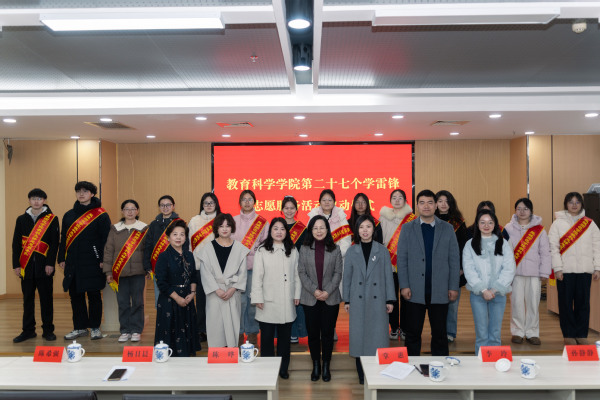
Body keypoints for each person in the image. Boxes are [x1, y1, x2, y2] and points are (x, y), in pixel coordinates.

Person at [397, 189, 460, 356]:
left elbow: (454, 260)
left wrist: (453, 286)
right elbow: (402, 259)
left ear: (436, 205)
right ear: (417, 206)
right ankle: (410, 367)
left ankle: (440, 367)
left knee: (439, 334)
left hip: (440, 290)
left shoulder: (447, 228)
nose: (426, 206)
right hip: (413, 290)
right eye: (422, 203)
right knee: (412, 333)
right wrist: (404, 285)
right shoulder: (407, 228)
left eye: (430, 202)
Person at [343, 215, 395, 384]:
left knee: (377, 336)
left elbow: (388, 276)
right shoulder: (352, 251)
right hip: (357, 299)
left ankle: (375, 373)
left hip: (377, 299)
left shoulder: (382, 251)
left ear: (374, 229)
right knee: (359, 337)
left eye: (368, 227)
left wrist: (390, 300)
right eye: (361, 227)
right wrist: (347, 300)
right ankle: (361, 374)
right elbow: (347, 277)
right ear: (357, 230)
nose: (365, 230)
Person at [58, 181, 111, 340]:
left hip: (94, 261)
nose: (81, 194)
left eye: (85, 191)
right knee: (76, 296)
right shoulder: (69, 215)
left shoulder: (101, 214)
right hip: (73, 262)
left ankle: (95, 327)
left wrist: (104, 259)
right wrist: (61, 257)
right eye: (78, 191)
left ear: (92, 194)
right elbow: (64, 238)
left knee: (94, 296)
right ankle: (79, 327)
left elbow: (106, 239)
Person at [251, 217, 301, 379]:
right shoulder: (262, 250)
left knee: (284, 340)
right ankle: (267, 371)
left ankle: (283, 369)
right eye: (275, 228)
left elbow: (297, 274)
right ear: (270, 231)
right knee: (266, 339)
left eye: (282, 229)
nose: (279, 232)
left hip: (287, 300)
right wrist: (258, 297)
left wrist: (297, 294)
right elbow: (257, 277)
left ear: (286, 232)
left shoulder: (292, 250)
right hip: (267, 301)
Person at [548, 192, 600, 345]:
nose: (574, 205)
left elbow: (597, 246)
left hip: (584, 271)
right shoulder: (557, 224)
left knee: (583, 304)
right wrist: (557, 268)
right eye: (571, 202)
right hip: (565, 271)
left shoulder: (590, 224)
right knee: (565, 304)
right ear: (566, 204)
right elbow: (553, 248)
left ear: (582, 204)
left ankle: (581, 334)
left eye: (577, 202)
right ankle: (568, 334)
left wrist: (597, 267)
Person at [463, 210, 516, 355]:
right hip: (478, 294)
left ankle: (495, 360)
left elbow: (509, 268)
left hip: (498, 294)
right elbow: (469, 269)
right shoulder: (470, 244)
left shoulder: (503, 243)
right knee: (481, 333)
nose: (486, 226)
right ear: (477, 224)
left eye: (490, 222)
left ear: (495, 224)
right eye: (483, 222)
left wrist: (494, 289)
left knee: (495, 333)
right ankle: (480, 360)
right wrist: (483, 289)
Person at [298, 215, 343, 382]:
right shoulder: (304, 249)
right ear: (310, 230)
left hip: (330, 299)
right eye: (315, 228)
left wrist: (327, 291)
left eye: (322, 227)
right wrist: (314, 291)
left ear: (327, 229)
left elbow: (338, 273)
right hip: (310, 298)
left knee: (327, 334)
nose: (319, 231)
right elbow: (301, 272)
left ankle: (326, 366)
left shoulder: (335, 249)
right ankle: (316, 364)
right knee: (313, 334)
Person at [12, 188, 60, 343]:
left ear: (44, 201)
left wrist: (50, 263)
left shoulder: (52, 219)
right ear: (29, 200)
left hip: (44, 267)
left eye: (39, 199)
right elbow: (16, 244)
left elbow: (54, 244)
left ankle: (48, 330)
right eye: (33, 198)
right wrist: (16, 265)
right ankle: (28, 331)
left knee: (46, 300)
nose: (36, 201)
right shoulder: (21, 219)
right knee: (27, 300)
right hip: (25, 267)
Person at [505, 198, 551, 345]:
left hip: (534, 274)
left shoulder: (539, 230)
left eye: (525, 208)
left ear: (531, 211)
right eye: (519, 208)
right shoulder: (508, 228)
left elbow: (545, 252)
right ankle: (517, 332)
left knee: (533, 304)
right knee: (516, 303)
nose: (522, 211)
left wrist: (544, 272)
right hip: (515, 274)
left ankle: (532, 332)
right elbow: (504, 252)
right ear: (515, 210)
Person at [199, 213, 249, 348]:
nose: (225, 229)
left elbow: (242, 272)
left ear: (232, 227)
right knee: (215, 325)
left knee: (232, 325)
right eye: (221, 226)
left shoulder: (239, 248)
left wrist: (233, 288)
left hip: (232, 292)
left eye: (228, 226)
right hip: (215, 292)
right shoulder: (208, 248)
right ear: (216, 228)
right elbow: (205, 273)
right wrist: (217, 289)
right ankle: (217, 354)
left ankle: (231, 353)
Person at [102, 200, 148, 343]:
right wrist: (108, 272)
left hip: (138, 273)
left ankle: (136, 330)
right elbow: (108, 251)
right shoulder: (115, 229)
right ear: (122, 211)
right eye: (126, 209)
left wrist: (148, 269)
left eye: (133, 208)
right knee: (122, 303)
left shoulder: (144, 228)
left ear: (137, 211)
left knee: (138, 302)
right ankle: (125, 330)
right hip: (119, 273)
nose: (130, 211)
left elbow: (148, 250)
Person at [154, 219, 200, 357]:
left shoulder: (189, 255)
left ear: (185, 237)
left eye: (182, 234)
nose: (178, 237)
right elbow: (161, 282)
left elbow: (193, 276)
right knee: (170, 332)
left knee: (186, 330)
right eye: (175, 234)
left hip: (187, 298)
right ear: (168, 238)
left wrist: (192, 293)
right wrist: (177, 298)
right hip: (170, 299)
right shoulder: (163, 257)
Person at [232, 190, 269, 346]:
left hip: (255, 268)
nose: (247, 202)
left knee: (253, 301)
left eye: (250, 199)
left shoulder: (262, 222)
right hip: (237, 268)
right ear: (239, 202)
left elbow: (265, 245)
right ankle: (239, 332)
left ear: (254, 202)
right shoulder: (233, 221)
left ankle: (253, 332)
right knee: (239, 302)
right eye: (244, 199)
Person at [379, 189, 415, 341]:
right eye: (394, 197)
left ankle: (405, 328)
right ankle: (394, 327)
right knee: (391, 296)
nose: (397, 200)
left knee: (406, 296)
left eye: (400, 197)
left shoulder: (412, 218)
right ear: (390, 200)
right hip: (389, 262)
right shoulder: (383, 217)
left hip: (406, 262)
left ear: (405, 200)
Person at [434, 190, 468, 343]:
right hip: (436, 270)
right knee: (437, 305)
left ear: (451, 203)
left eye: (446, 201)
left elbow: (463, 246)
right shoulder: (430, 219)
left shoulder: (458, 223)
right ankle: (438, 331)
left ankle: (450, 332)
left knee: (452, 304)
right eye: (440, 201)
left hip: (454, 269)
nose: (443, 204)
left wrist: (461, 267)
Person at [189, 192, 221, 343]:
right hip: (199, 266)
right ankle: (201, 329)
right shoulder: (194, 221)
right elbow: (190, 245)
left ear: (216, 204)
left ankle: (216, 328)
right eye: (206, 203)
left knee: (216, 300)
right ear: (202, 205)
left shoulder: (221, 220)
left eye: (211, 203)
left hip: (217, 268)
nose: (208, 205)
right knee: (201, 300)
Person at [143, 195, 185, 308]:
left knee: (177, 296)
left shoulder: (180, 223)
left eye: (168, 205)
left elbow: (185, 245)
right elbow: (148, 246)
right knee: (160, 296)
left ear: (173, 206)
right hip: (159, 266)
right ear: (159, 207)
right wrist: (147, 266)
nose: (165, 207)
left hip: (177, 265)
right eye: (162, 205)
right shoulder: (153, 224)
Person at [281, 196, 308, 343]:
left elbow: (305, 250)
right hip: (279, 269)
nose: (289, 211)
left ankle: (295, 332)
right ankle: (281, 332)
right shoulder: (278, 226)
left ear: (296, 210)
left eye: (292, 208)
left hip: (296, 269)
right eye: (286, 208)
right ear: (282, 210)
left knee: (296, 301)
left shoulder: (302, 229)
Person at [308, 189, 352, 258]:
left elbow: (346, 240)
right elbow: (309, 237)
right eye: (324, 200)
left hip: (337, 257)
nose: (327, 202)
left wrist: (336, 255)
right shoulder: (314, 214)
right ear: (319, 202)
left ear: (334, 202)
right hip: (317, 256)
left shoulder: (341, 215)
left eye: (330, 200)